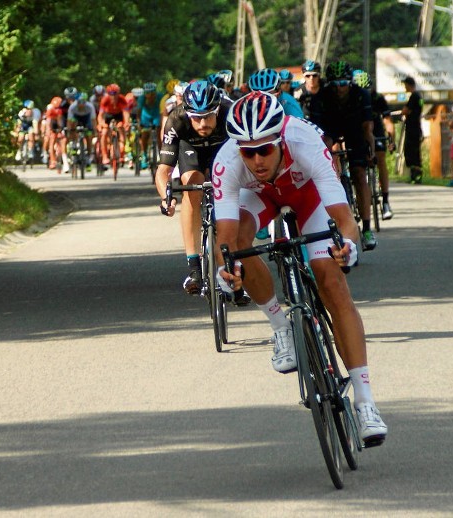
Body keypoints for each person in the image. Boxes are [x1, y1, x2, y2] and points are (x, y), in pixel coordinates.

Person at [213, 92, 387, 444]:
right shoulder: (227, 162)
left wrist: (348, 247)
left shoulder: (305, 142)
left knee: (330, 280)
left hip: (307, 194)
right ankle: (281, 326)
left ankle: (366, 402)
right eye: (249, 152)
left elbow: (343, 220)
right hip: (259, 197)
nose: (257, 159)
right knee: (241, 247)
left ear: (280, 139)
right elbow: (226, 239)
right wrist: (226, 271)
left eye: (265, 149)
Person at [155, 81, 237, 295]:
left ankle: (230, 267)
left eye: (208, 116)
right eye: (196, 118)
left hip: (223, 147)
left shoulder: (231, 113)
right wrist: (166, 197)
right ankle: (194, 268)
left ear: (218, 110)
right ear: (188, 114)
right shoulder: (176, 119)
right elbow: (163, 170)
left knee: (228, 185)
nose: (202, 123)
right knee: (192, 185)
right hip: (190, 150)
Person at [319, 60, 376, 251]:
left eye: (343, 83)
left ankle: (367, 228)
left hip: (356, 130)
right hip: (331, 128)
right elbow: (317, 130)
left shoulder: (361, 95)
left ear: (350, 82)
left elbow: (368, 126)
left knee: (359, 174)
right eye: (335, 84)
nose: (340, 88)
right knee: (326, 146)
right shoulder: (323, 96)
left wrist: (371, 148)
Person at [353, 69, 394, 220]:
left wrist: (391, 138)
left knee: (381, 158)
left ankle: (385, 201)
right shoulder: (351, 98)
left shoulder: (378, 98)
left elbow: (388, 121)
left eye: (368, 90)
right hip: (358, 130)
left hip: (376, 130)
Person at [97, 83, 131, 165]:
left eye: (115, 94)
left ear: (118, 93)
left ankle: (122, 152)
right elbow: (100, 115)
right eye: (111, 94)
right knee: (104, 132)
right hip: (108, 115)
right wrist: (101, 123)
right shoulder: (105, 100)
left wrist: (126, 122)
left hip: (119, 115)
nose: (113, 96)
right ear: (108, 94)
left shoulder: (122, 99)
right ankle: (105, 156)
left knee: (121, 128)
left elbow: (126, 113)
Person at [401, 76, 424, 184]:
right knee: (414, 152)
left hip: (412, 128)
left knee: (411, 152)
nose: (404, 87)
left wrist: (404, 112)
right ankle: (415, 175)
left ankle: (416, 176)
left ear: (409, 85)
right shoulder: (419, 96)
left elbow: (406, 110)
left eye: (405, 84)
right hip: (416, 127)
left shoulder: (414, 96)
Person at [137, 82, 163, 169]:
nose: (150, 96)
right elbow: (139, 111)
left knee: (159, 134)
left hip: (157, 115)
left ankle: (162, 156)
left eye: (152, 93)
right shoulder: (141, 98)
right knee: (144, 134)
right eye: (148, 93)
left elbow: (163, 109)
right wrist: (139, 122)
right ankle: (144, 155)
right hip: (145, 117)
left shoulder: (160, 97)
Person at [294, 60, 326, 129]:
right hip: (307, 126)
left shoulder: (327, 89)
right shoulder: (298, 92)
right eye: (308, 76)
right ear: (304, 76)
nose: (311, 78)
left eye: (314, 75)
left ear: (319, 75)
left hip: (326, 125)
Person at [66, 92, 96, 163]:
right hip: (76, 117)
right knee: (73, 126)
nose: (81, 104)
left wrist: (94, 130)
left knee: (89, 135)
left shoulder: (90, 106)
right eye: (79, 102)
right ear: (77, 101)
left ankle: (89, 156)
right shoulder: (72, 107)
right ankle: (74, 143)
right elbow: (69, 121)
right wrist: (69, 130)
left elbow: (93, 120)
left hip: (86, 118)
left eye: (83, 102)